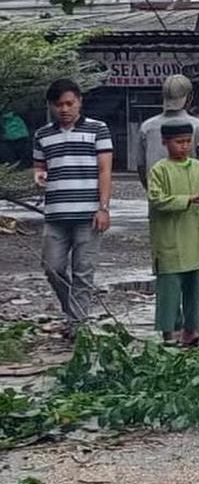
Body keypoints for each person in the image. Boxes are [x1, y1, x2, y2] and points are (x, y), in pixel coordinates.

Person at [32, 78, 113, 338]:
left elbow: (105, 170)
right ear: (51, 106)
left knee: (83, 271)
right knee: (51, 267)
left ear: (79, 102)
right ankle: (75, 312)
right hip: (55, 213)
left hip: (88, 214)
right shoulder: (43, 135)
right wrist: (39, 176)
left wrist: (103, 208)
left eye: (70, 103)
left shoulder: (97, 129)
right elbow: (39, 167)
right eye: (59, 104)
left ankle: (78, 326)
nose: (64, 109)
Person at [146, 121, 199, 345]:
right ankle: (169, 331)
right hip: (168, 237)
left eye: (187, 141)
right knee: (169, 286)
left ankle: (192, 329)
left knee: (194, 284)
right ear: (165, 142)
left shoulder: (198, 167)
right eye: (179, 142)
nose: (184, 146)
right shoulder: (159, 169)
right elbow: (157, 200)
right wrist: (191, 199)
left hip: (193, 236)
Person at [135, 75, 199, 188]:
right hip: (195, 197)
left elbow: (141, 166)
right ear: (190, 98)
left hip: (158, 198)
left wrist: (151, 192)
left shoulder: (146, 127)